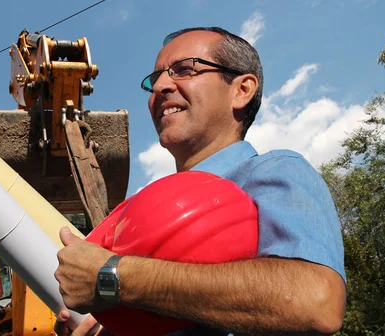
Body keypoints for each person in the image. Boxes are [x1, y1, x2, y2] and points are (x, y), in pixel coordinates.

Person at [53, 27, 347, 336]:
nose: (161, 87)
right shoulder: (139, 211)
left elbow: (315, 299)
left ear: (242, 90)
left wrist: (112, 276)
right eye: (155, 80)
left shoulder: (274, 171)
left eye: (184, 70)